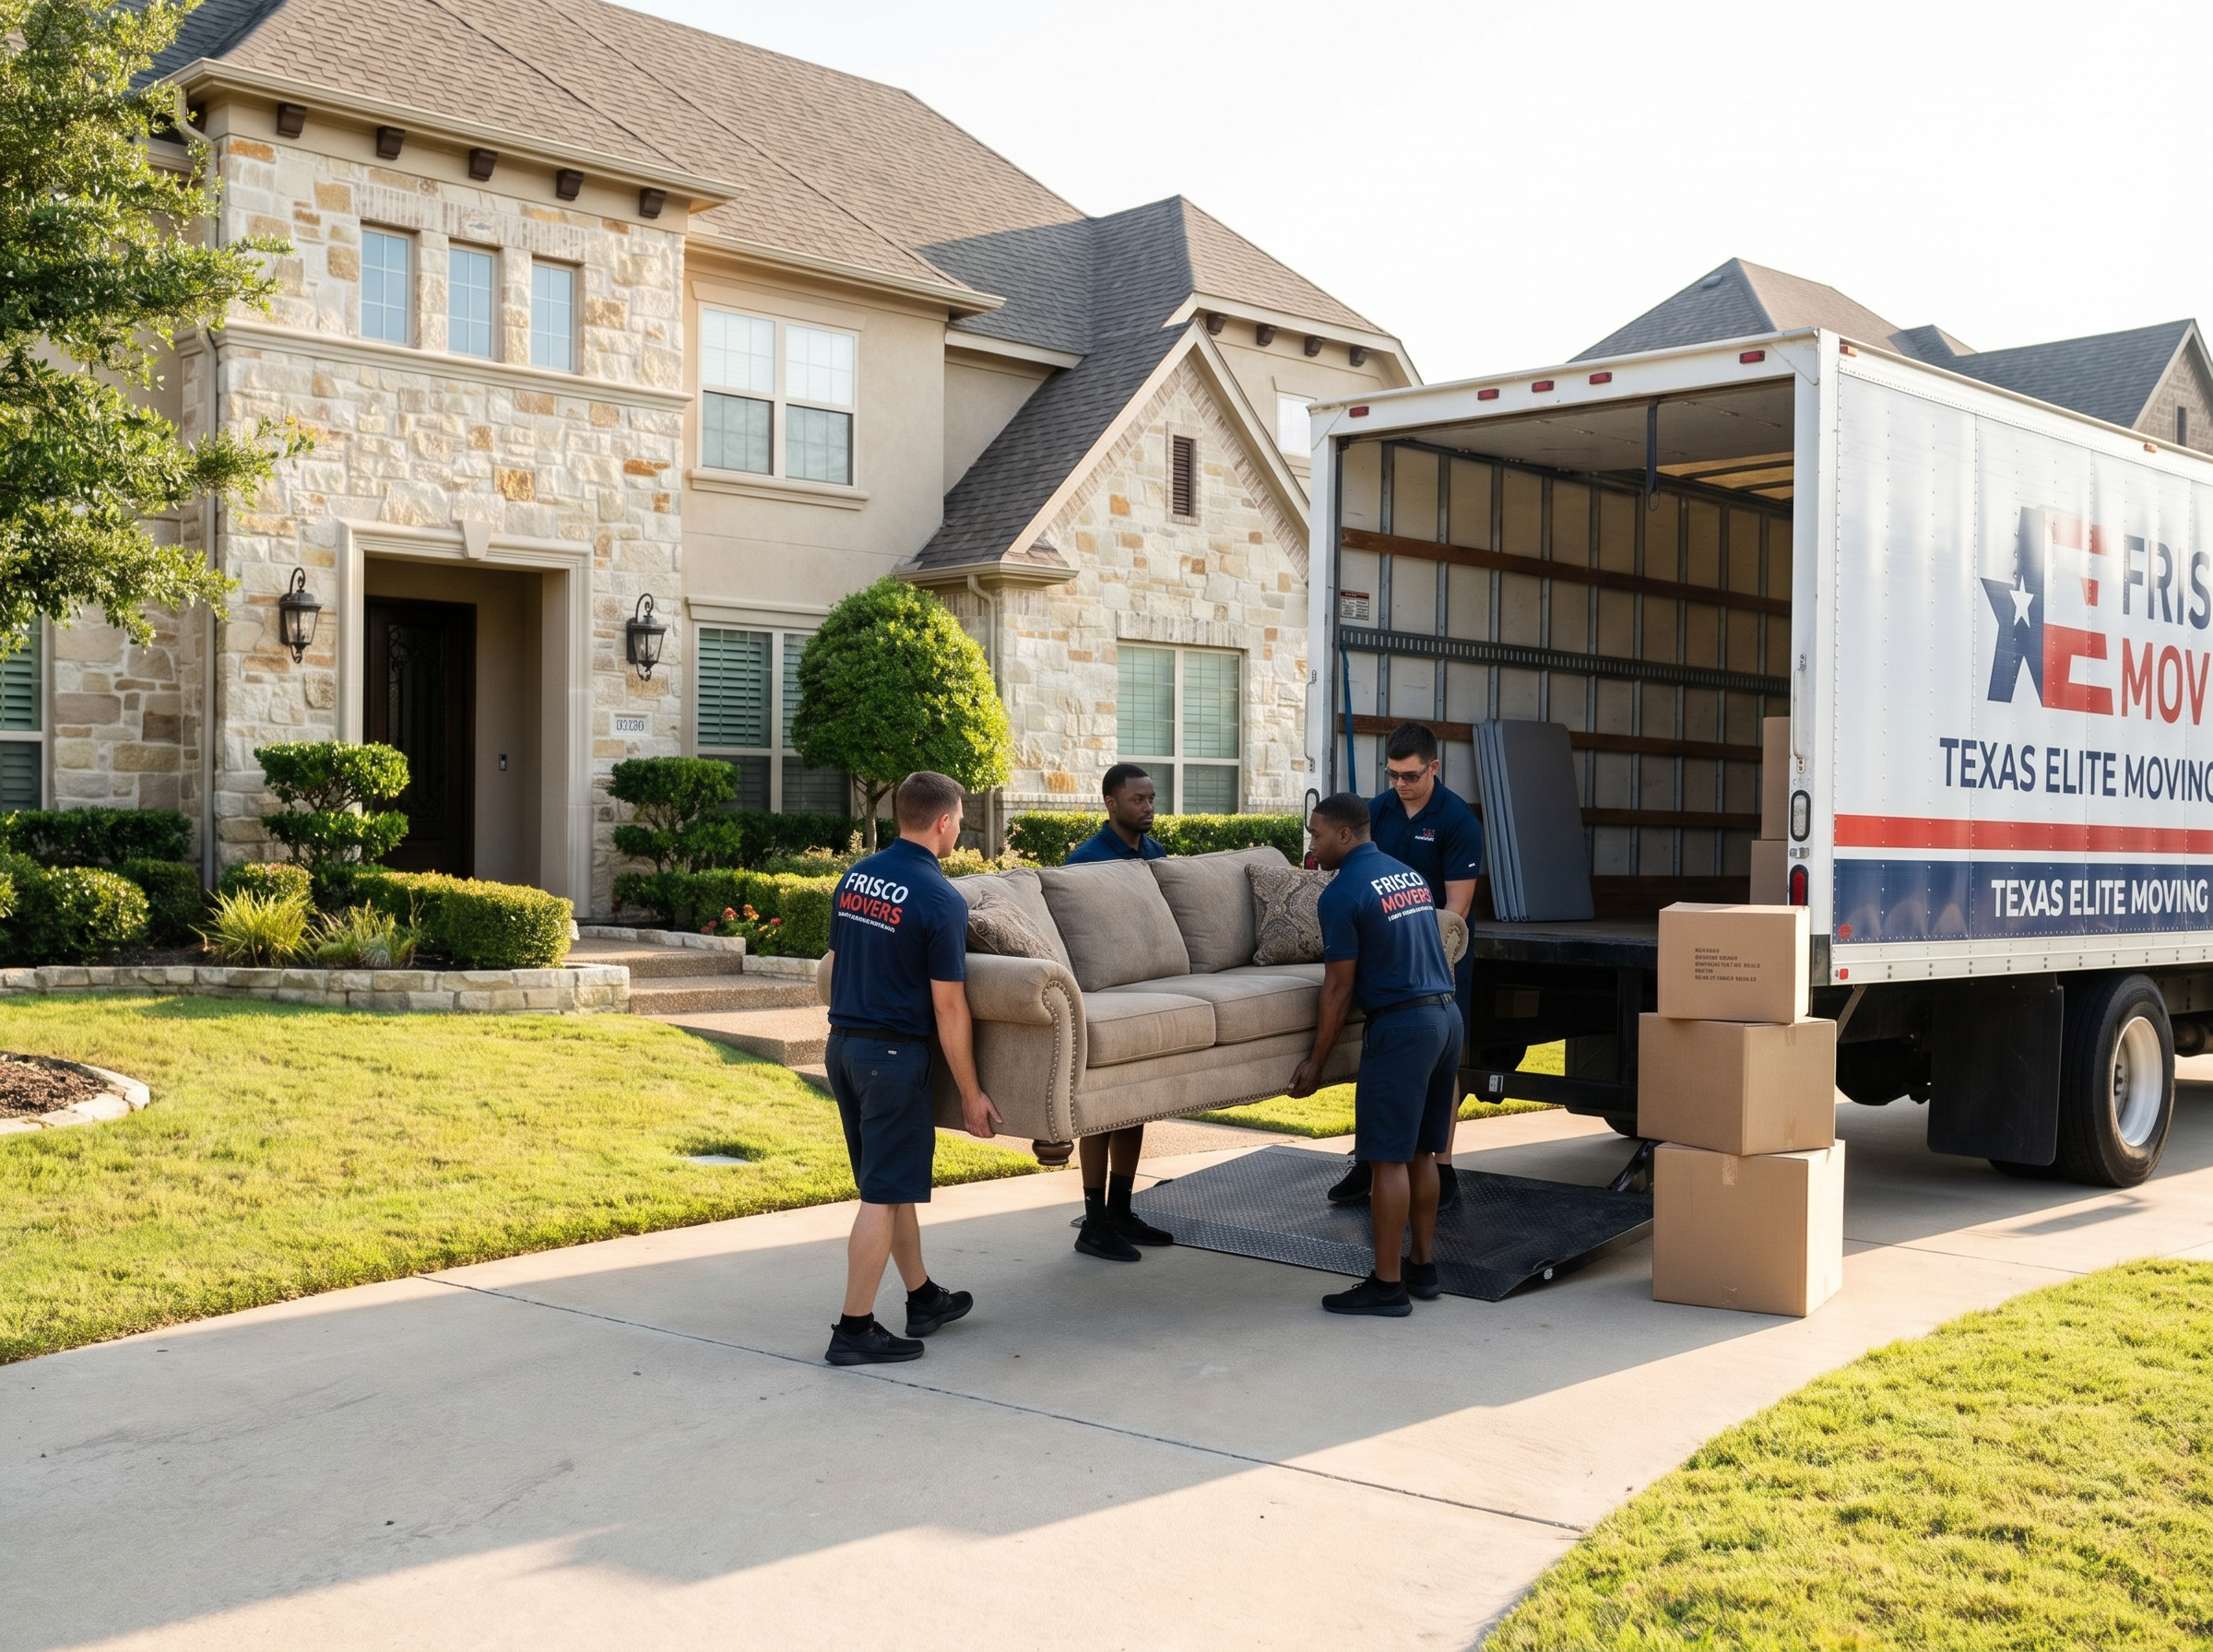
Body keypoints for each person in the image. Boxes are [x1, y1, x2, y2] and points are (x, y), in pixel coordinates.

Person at [817, 771, 1002, 1365]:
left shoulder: (855, 878)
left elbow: (838, 958)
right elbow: (950, 1005)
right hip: (893, 1060)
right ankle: (853, 1329)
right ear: (945, 822)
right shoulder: (940, 898)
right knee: (881, 1195)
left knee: (889, 1188)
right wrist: (972, 1095)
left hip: (845, 1048)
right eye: (959, 819)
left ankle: (923, 1297)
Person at [1289, 792, 1463, 1316]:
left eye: (1317, 835)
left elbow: (1339, 988)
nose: (1312, 846)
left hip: (1403, 1029)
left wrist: (1315, 1062)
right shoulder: (1408, 876)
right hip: (1446, 1017)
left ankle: (1387, 1286)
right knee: (1423, 1152)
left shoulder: (1340, 894)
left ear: (1345, 834)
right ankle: (1422, 1268)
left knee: (1385, 1157)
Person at [1328, 722, 1483, 1212]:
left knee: (1441, 1060)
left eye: (1411, 775)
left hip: (1440, 954)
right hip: (1386, 955)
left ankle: (1442, 1166)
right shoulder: (1378, 810)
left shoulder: (1458, 821)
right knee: (1377, 1057)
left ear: (1434, 767)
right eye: (1393, 774)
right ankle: (1369, 1161)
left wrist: (1410, 946)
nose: (1401, 784)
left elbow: (1455, 907)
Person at [1061, 762, 1176, 1260]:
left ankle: (1122, 1211)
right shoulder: (1084, 861)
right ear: (1111, 804)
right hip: (1105, 998)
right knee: (1103, 1112)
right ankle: (1094, 1222)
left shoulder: (1157, 856)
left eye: (1152, 798)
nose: (1149, 807)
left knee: (1136, 1105)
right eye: (1139, 800)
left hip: (1147, 994)